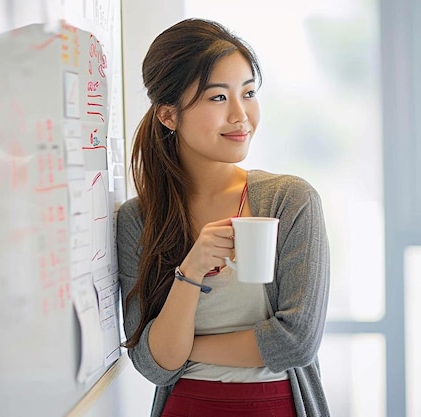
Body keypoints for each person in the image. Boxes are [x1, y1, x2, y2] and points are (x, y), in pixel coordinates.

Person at [117, 18, 330, 417]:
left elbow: (296, 342)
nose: (241, 115)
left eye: (248, 93)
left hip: (277, 405)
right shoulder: (138, 220)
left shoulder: (290, 201)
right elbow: (151, 366)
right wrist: (190, 272)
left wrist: (185, 347)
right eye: (218, 98)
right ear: (168, 115)